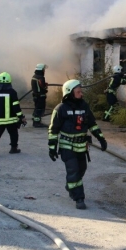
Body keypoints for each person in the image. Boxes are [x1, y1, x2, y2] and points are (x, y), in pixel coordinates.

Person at [48, 79, 108, 210]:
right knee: (73, 171)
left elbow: (92, 124)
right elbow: (53, 130)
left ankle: (71, 185)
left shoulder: (84, 106)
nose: (81, 94)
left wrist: (101, 139)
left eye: (81, 91)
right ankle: (79, 198)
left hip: (81, 147)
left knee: (81, 170)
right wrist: (52, 148)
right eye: (78, 92)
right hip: (66, 147)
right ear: (69, 93)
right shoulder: (60, 109)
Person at [0, 72, 27, 156]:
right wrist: (21, 117)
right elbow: (16, 107)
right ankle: (13, 148)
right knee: (13, 133)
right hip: (11, 120)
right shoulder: (12, 92)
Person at [31, 63, 49, 128]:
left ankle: (35, 120)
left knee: (37, 108)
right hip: (40, 96)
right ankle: (37, 123)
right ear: (41, 70)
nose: (44, 71)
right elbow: (42, 85)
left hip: (35, 96)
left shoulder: (34, 76)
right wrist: (45, 87)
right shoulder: (41, 77)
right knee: (40, 109)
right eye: (43, 69)